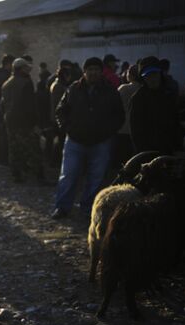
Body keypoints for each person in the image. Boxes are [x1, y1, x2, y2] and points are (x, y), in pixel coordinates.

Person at [52, 57, 124, 219]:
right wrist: (67, 128)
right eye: (89, 69)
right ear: (84, 72)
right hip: (75, 141)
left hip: (101, 142)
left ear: (101, 71)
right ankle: (62, 207)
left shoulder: (110, 91)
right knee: (68, 175)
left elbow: (119, 115)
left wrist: (108, 132)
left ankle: (88, 209)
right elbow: (60, 111)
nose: (93, 72)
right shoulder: (73, 89)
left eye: (96, 69)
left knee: (96, 179)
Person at [1, 58, 46, 184]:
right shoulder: (26, 82)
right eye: (27, 67)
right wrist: (35, 123)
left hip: (10, 121)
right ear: (21, 68)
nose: (29, 69)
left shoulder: (6, 83)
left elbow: (2, 104)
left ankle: (17, 176)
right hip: (24, 122)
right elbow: (30, 105)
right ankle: (39, 177)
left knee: (15, 149)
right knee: (33, 148)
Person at [130, 56, 180, 155]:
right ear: (143, 78)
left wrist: (178, 147)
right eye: (148, 75)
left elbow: (175, 122)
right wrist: (142, 153)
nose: (152, 78)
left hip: (168, 149)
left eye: (155, 74)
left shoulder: (168, 95)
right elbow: (135, 130)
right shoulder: (137, 98)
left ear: (160, 73)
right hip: (148, 152)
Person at [0, 54, 15, 165]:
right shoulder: (5, 76)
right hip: (2, 109)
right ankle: (3, 159)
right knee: (4, 135)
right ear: (8, 64)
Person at [116, 65, 141, 166]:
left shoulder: (123, 88)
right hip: (137, 127)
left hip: (123, 128)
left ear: (130, 75)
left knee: (122, 158)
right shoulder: (142, 89)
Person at [48, 67, 72, 166]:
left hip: (54, 115)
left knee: (59, 139)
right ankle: (55, 161)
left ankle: (54, 160)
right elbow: (60, 103)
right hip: (57, 116)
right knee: (60, 140)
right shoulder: (59, 86)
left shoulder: (56, 84)